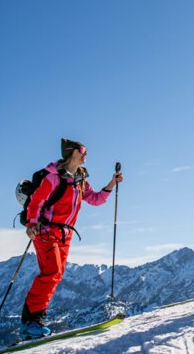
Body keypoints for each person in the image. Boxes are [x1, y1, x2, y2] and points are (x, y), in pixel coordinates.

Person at [20, 138, 123, 339]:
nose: (85, 155)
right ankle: (30, 323)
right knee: (52, 272)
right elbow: (36, 202)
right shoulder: (52, 179)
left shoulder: (80, 180)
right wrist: (32, 223)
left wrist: (112, 183)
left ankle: (34, 321)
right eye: (82, 151)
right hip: (46, 231)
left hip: (65, 234)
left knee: (55, 275)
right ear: (72, 154)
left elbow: (95, 199)